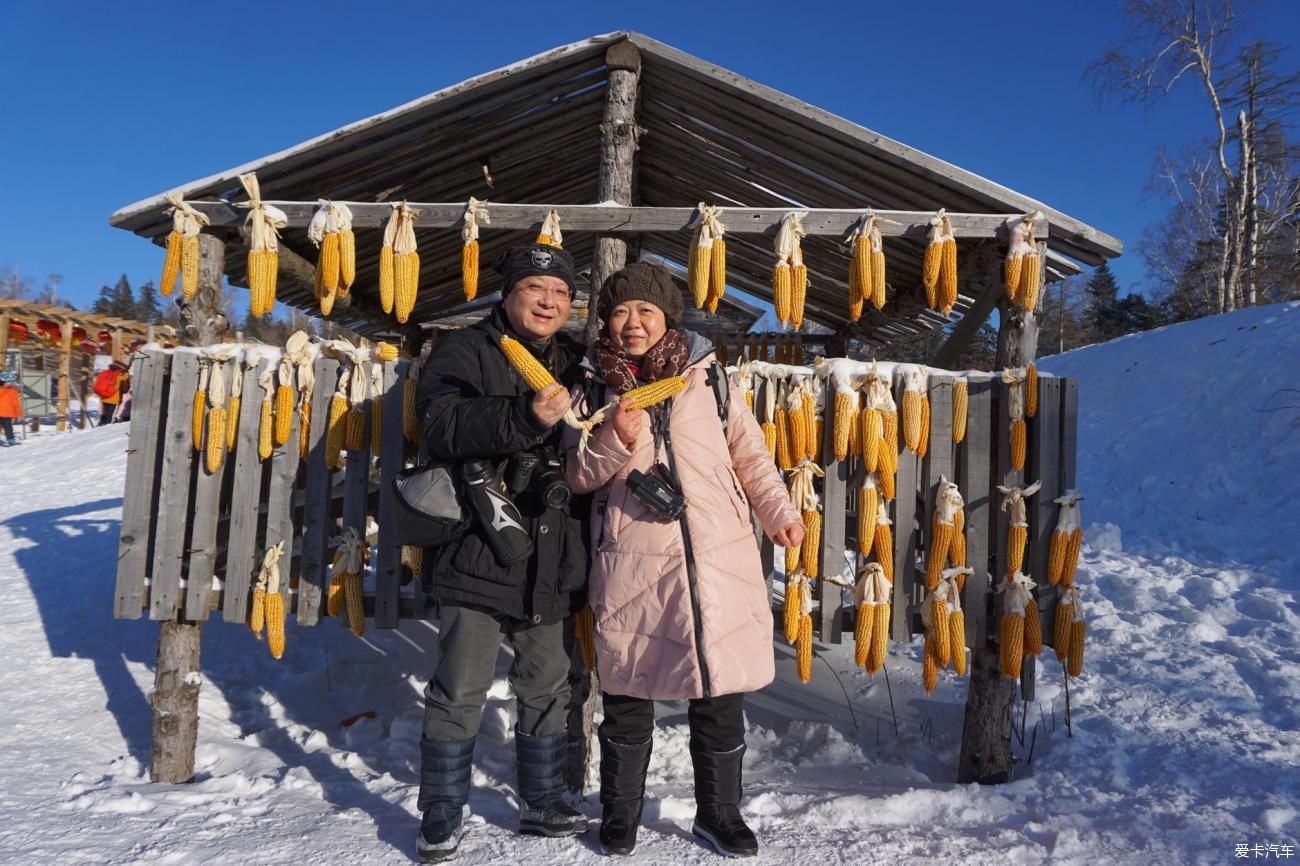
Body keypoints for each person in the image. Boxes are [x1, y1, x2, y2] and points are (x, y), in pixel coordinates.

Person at [565, 263, 805, 858]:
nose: (632, 324)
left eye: (645, 311)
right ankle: (619, 816)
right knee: (627, 693)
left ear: (667, 317)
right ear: (606, 322)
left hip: (716, 555)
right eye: (619, 312)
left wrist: (777, 513)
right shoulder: (591, 386)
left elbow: (751, 457)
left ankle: (719, 815)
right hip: (632, 559)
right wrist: (614, 437)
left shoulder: (710, 380)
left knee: (720, 693)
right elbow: (576, 475)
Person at [412, 243, 590, 862]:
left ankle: (542, 799)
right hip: (479, 544)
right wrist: (524, 415)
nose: (549, 302)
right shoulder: (461, 351)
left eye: (562, 293)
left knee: (547, 684)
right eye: (536, 288)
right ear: (507, 294)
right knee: (460, 685)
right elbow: (439, 425)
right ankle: (441, 807)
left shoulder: (576, 361)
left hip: (553, 551)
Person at [95, 360, 129, 426]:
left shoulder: (105, 372)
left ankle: (101, 425)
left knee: (104, 413)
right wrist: (126, 371)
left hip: (104, 396)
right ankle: (106, 428)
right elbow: (126, 386)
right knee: (109, 415)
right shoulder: (120, 375)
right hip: (113, 398)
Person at [0, 370, 21, 446]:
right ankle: (11, 440)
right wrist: (17, 415)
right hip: (7, 414)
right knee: (8, 428)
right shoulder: (12, 391)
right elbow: (15, 404)